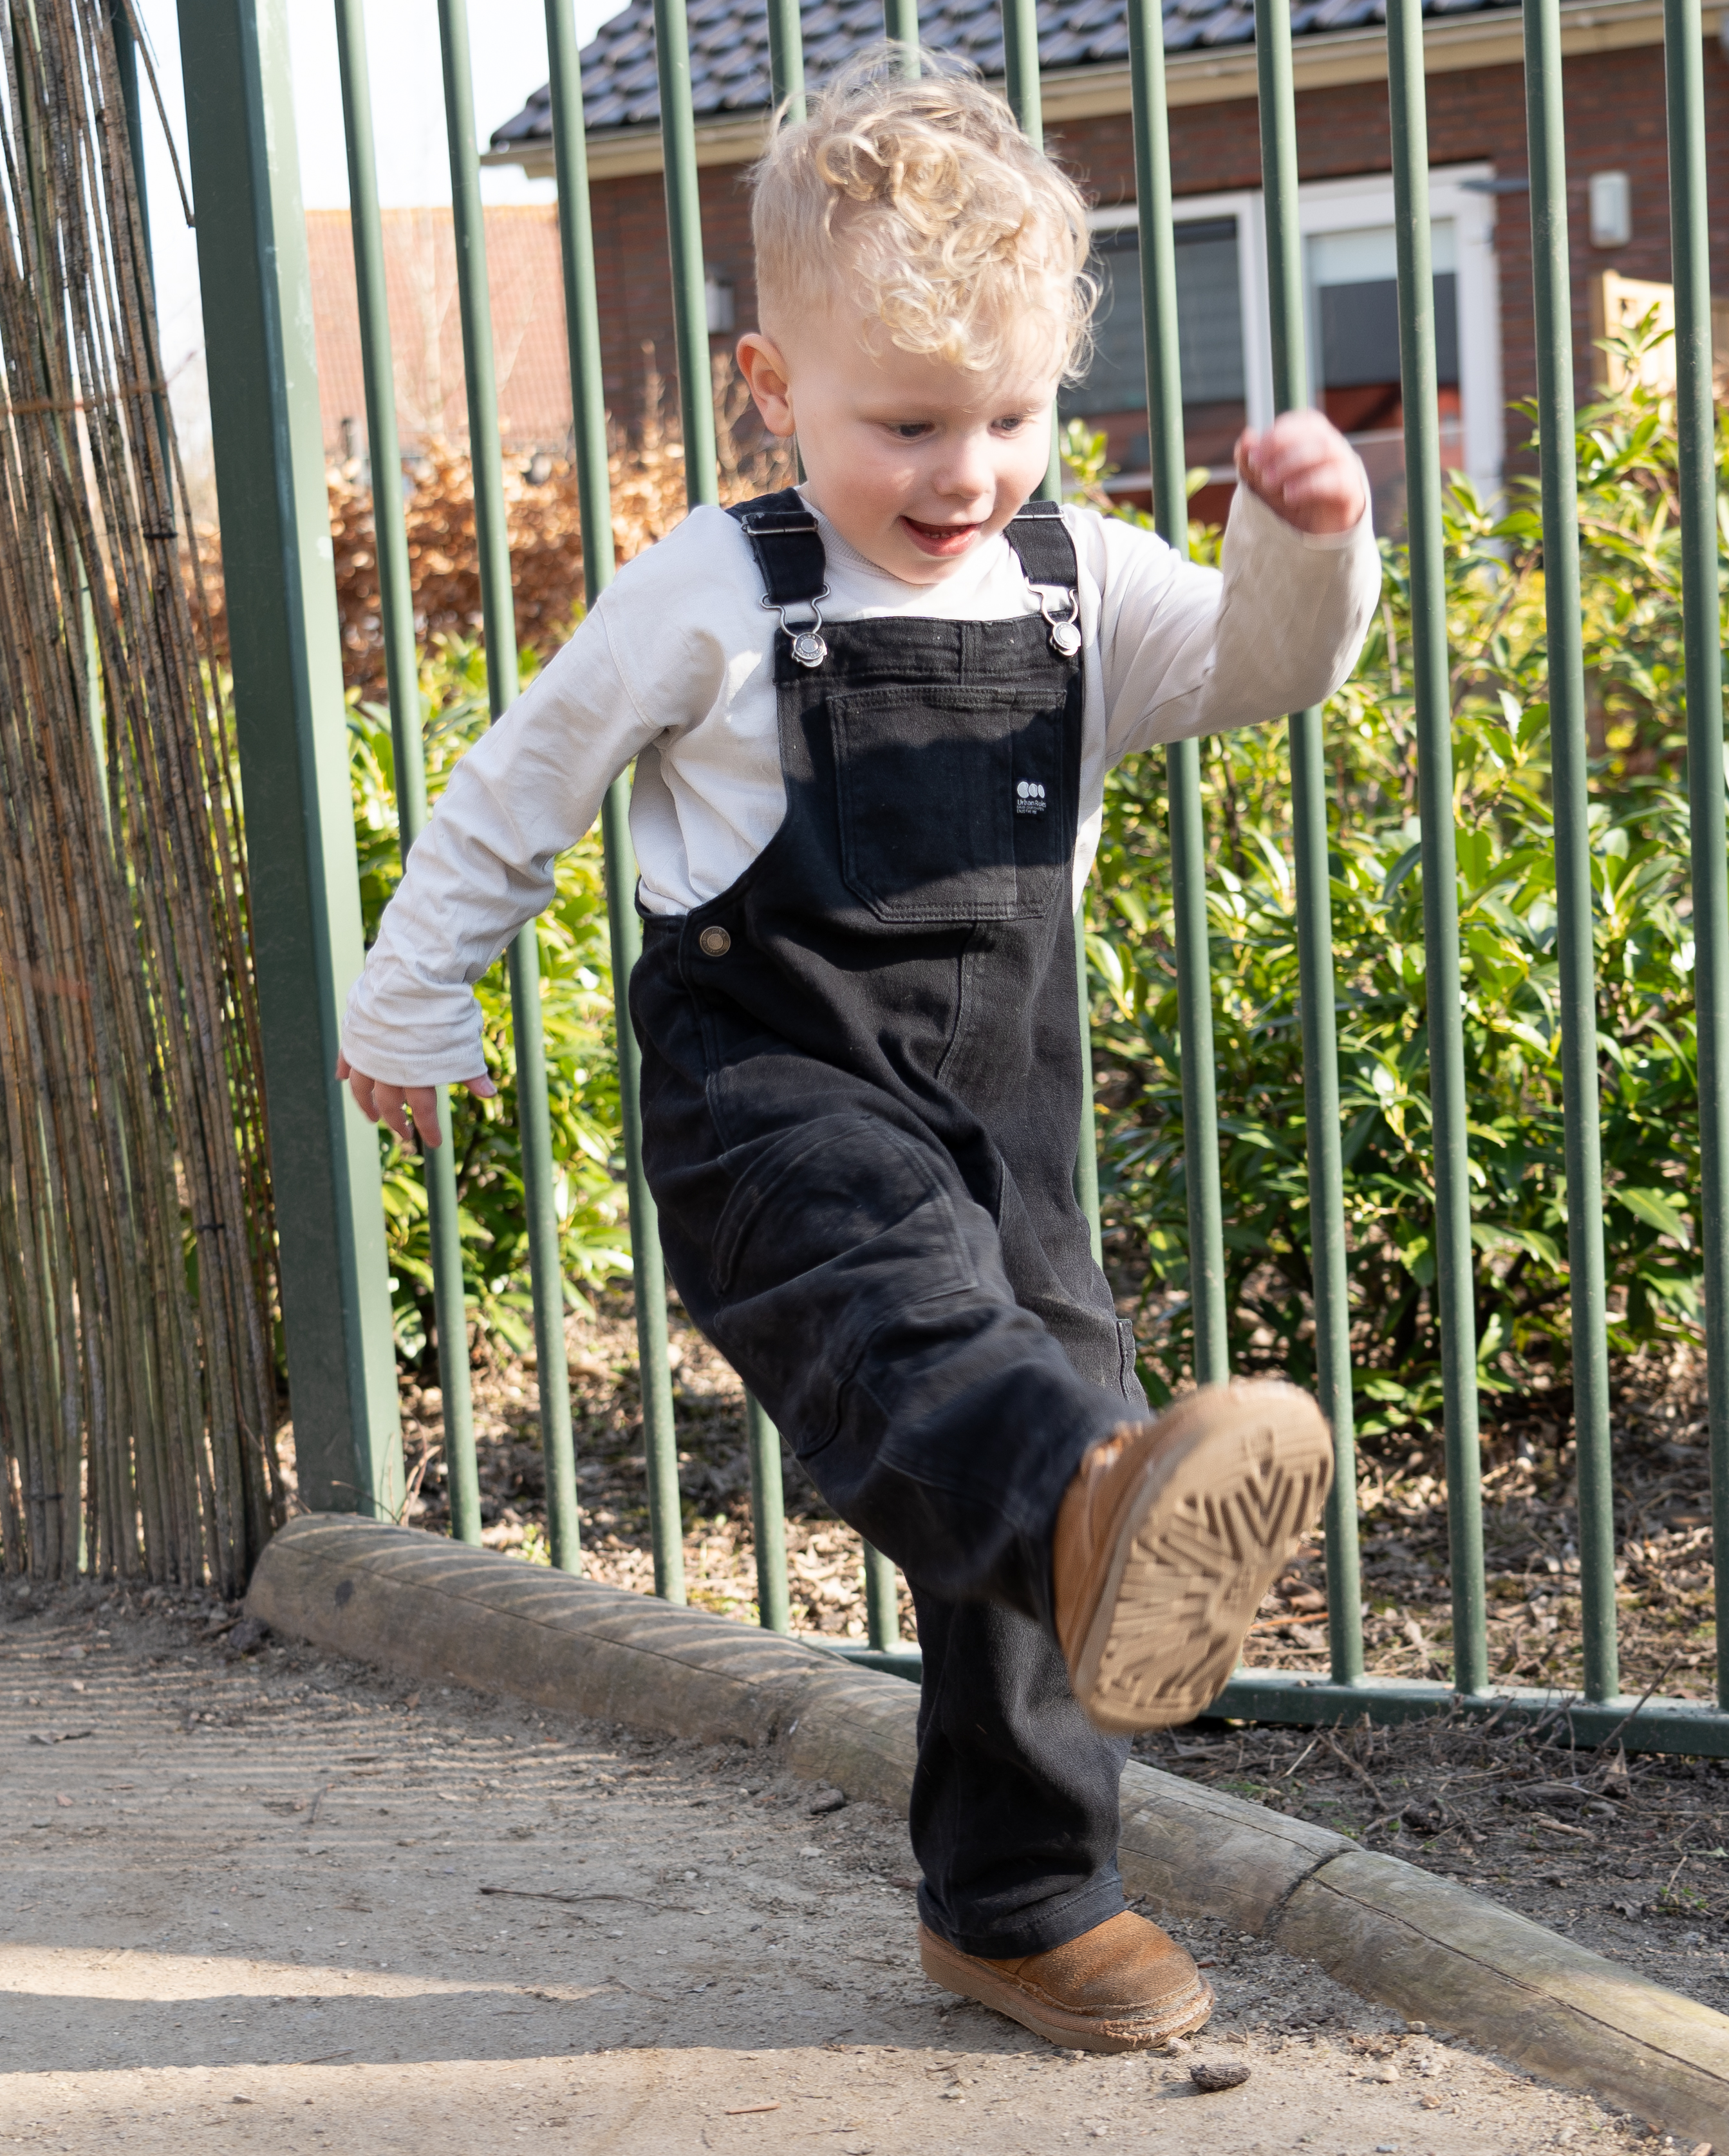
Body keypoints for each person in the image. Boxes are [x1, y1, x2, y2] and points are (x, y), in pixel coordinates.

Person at [331, 54, 1378, 2054]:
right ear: (770, 383)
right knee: (944, 1368)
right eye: (903, 424)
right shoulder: (722, 590)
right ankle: (1087, 1523)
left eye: (1006, 416)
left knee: (1050, 1421)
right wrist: (409, 999)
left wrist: (1307, 547)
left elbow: (1260, 673)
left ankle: (1023, 1902)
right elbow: (519, 784)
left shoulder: (1078, 589)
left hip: (1005, 1109)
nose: (963, 471)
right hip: (774, 1101)